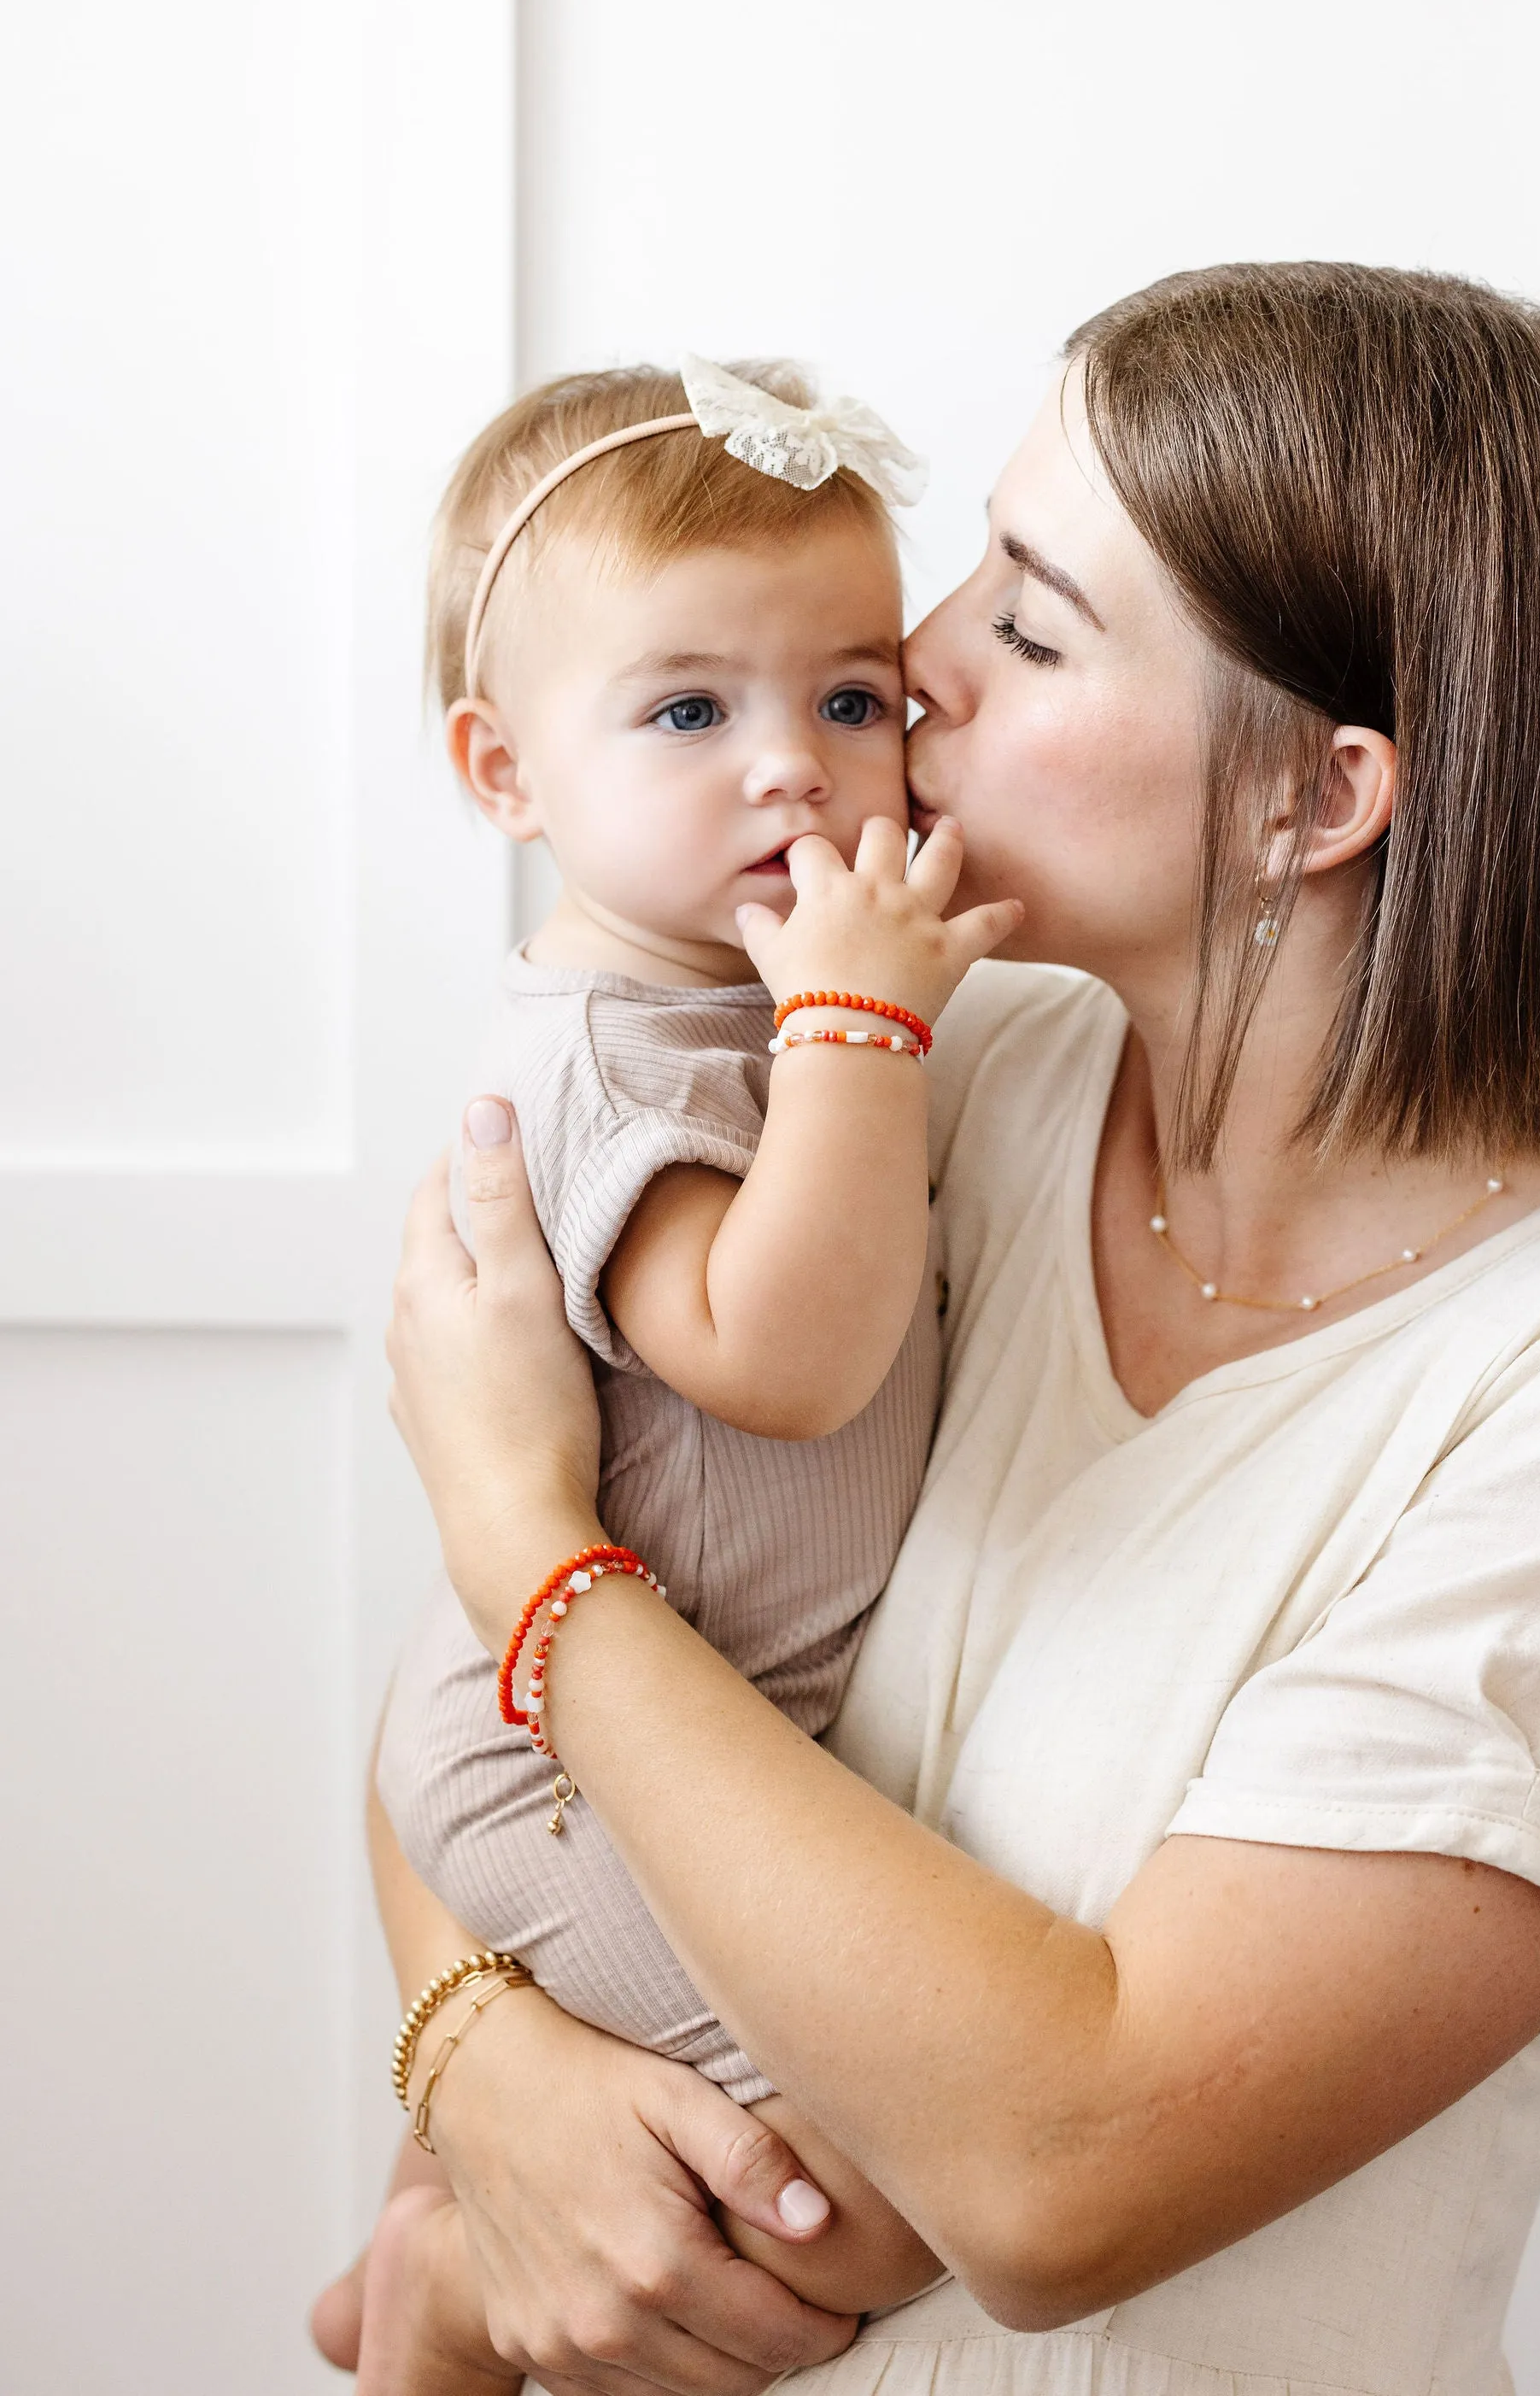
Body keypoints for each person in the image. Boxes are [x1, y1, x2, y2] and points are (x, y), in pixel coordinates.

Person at [365, 266, 1540, 2396]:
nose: (902, 672)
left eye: (1021, 618)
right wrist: (478, 2078)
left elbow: (1051, 2173)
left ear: (1320, 799)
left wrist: (532, 1548)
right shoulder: (927, 1071)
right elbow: (471, 1720)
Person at [346, 355, 1028, 2380]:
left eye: (849, 697)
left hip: (647, 1728)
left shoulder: (731, 1010)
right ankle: (437, 2311)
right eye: (685, 710)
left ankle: (407, 2246)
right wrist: (857, 1033)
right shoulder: (614, 1060)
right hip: (556, 1762)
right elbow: (782, 1357)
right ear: (503, 769)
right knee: (848, 2171)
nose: (794, 772)